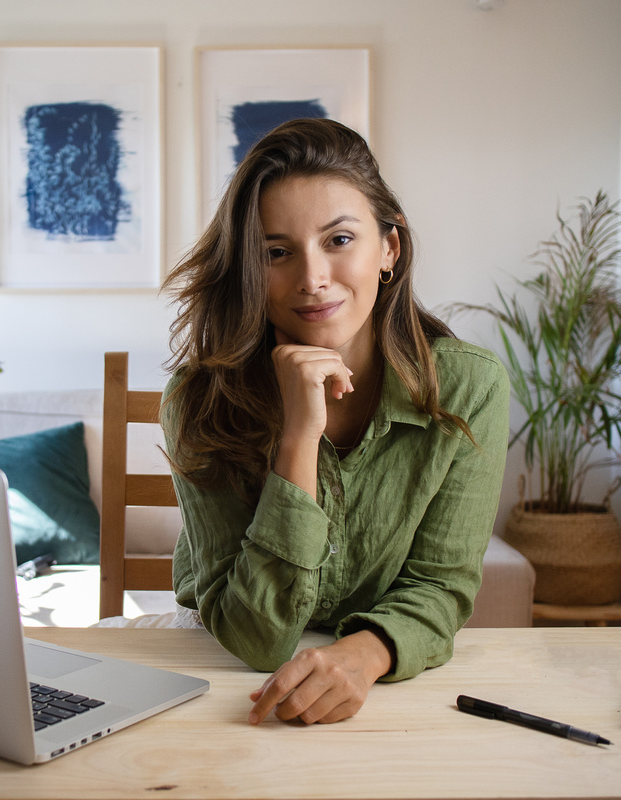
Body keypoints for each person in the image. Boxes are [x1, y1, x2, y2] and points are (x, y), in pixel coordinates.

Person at [161, 118, 509, 726]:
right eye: (276, 252)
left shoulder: (468, 387)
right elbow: (256, 639)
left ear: (389, 250)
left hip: (393, 691)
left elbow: (440, 586)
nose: (313, 278)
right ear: (249, 268)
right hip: (223, 687)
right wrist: (298, 436)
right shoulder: (199, 400)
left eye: (339, 240)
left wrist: (365, 654)